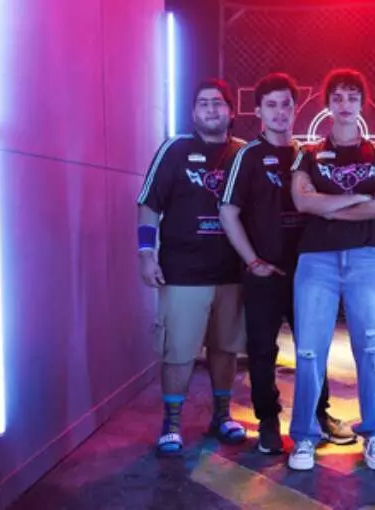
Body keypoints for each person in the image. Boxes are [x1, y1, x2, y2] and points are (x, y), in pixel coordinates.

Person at [219, 72, 356, 455]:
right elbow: (228, 212)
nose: (280, 112)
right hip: (264, 274)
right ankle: (268, 420)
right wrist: (252, 261)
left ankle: (319, 413)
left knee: (313, 346)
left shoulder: (307, 155)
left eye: (286, 104)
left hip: (309, 272)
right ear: (259, 111)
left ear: (296, 109)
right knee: (262, 350)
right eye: (272, 105)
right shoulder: (247, 156)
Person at [287, 68, 375, 472]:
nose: (345, 104)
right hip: (317, 259)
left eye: (352, 96)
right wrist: (354, 199)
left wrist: (328, 205)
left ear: (362, 104)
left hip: (368, 259)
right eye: (338, 97)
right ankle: (304, 436)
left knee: (372, 350)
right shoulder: (309, 153)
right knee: (309, 350)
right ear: (328, 104)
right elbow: (303, 202)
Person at [136, 79, 248, 456]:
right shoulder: (175, 150)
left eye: (218, 102)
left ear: (231, 110)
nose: (211, 109)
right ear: (193, 112)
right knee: (178, 352)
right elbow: (148, 204)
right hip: (183, 272)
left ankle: (222, 416)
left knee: (225, 347)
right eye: (203, 103)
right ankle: (171, 424)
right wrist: (146, 253)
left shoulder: (243, 153)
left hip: (232, 273)